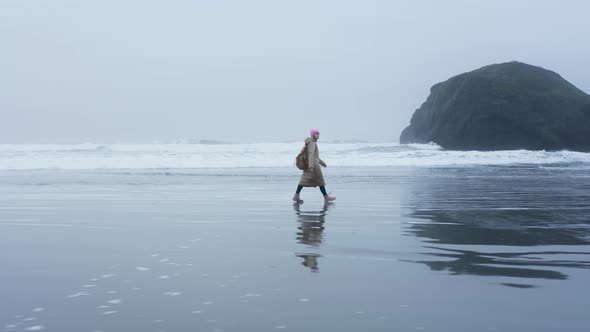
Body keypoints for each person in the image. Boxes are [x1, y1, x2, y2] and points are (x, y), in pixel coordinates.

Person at [293, 129, 336, 203]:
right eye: (316, 134)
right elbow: (311, 156)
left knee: (303, 181)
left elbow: (315, 157)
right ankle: (326, 197)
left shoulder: (310, 143)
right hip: (313, 167)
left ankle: (296, 196)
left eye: (318, 134)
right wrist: (311, 166)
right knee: (320, 182)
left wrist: (322, 163)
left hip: (311, 165)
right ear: (312, 135)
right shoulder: (312, 143)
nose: (318, 135)